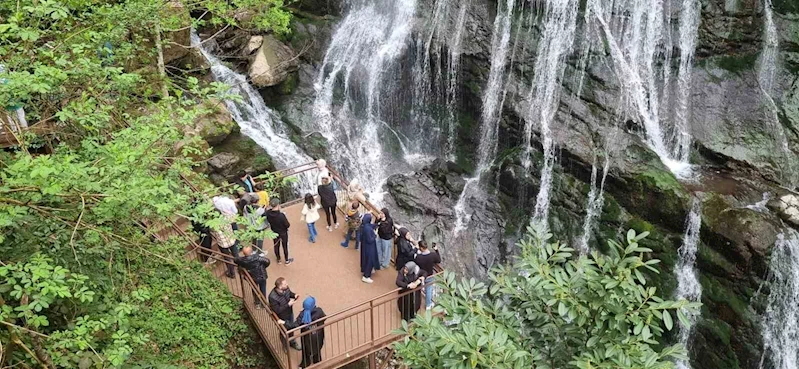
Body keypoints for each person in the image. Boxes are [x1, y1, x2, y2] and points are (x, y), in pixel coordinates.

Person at [280, 296, 326, 368]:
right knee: (317, 347)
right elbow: (324, 318)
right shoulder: (319, 311)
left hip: (307, 337)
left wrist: (284, 322)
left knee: (306, 351)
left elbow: (294, 325)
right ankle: (317, 360)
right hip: (318, 335)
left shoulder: (303, 315)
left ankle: (305, 364)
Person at [269, 277, 302, 350]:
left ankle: (292, 341)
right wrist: (288, 305)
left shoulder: (285, 288)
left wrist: (294, 295)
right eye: (285, 284)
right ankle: (285, 345)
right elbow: (277, 310)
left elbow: (289, 293)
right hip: (282, 316)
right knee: (283, 331)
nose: (287, 284)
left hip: (289, 313)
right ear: (280, 287)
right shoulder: (272, 297)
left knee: (291, 327)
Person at [212, 196, 241, 278]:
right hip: (231, 239)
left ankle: (231, 272)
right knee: (236, 254)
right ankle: (240, 268)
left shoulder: (213, 224)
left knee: (227, 257)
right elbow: (234, 218)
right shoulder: (227, 218)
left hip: (222, 243)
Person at [414, 241, 441, 310]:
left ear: (421, 248)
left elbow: (415, 260)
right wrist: (436, 250)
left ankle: (416, 303)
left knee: (418, 289)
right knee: (428, 289)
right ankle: (428, 305)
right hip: (429, 275)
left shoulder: (419, 257)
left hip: (420, 275)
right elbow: (439, 260)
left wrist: (417, 251)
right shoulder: (432, 255)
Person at [266, 198, 293, 265]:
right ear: (278, 205)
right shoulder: (281, 215)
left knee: (276, 246)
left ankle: (278, 259)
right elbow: (287, 225)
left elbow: (267, 212)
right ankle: (287, 260)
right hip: (283, 233)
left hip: (274, 232)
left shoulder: (268, 213)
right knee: (285, 246)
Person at [359, 213, 380, 283]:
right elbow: (370, 239)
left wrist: (377, 221)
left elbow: (373, 226)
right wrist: (375, 235)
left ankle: (367, 271)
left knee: (366, 259)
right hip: (369, 247)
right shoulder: (367, 228)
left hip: (365, 246)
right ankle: (366, 276)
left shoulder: (364, 226)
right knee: (370, 260)